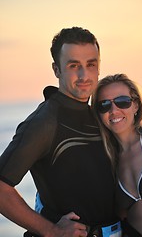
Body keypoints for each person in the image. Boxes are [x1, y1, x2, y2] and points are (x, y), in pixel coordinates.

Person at [0, 27, 121, 237]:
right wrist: (51, 230)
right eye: (74, 65)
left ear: (99, 67)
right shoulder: (45, 121)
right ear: (57, 69)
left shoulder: (100, 114)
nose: (84, 74)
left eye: (91, 64)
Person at [92, 73, 142, 237]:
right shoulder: (107, 162)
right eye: (105, 105)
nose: (114, 111)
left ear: (135, 105)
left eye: (123, 102)